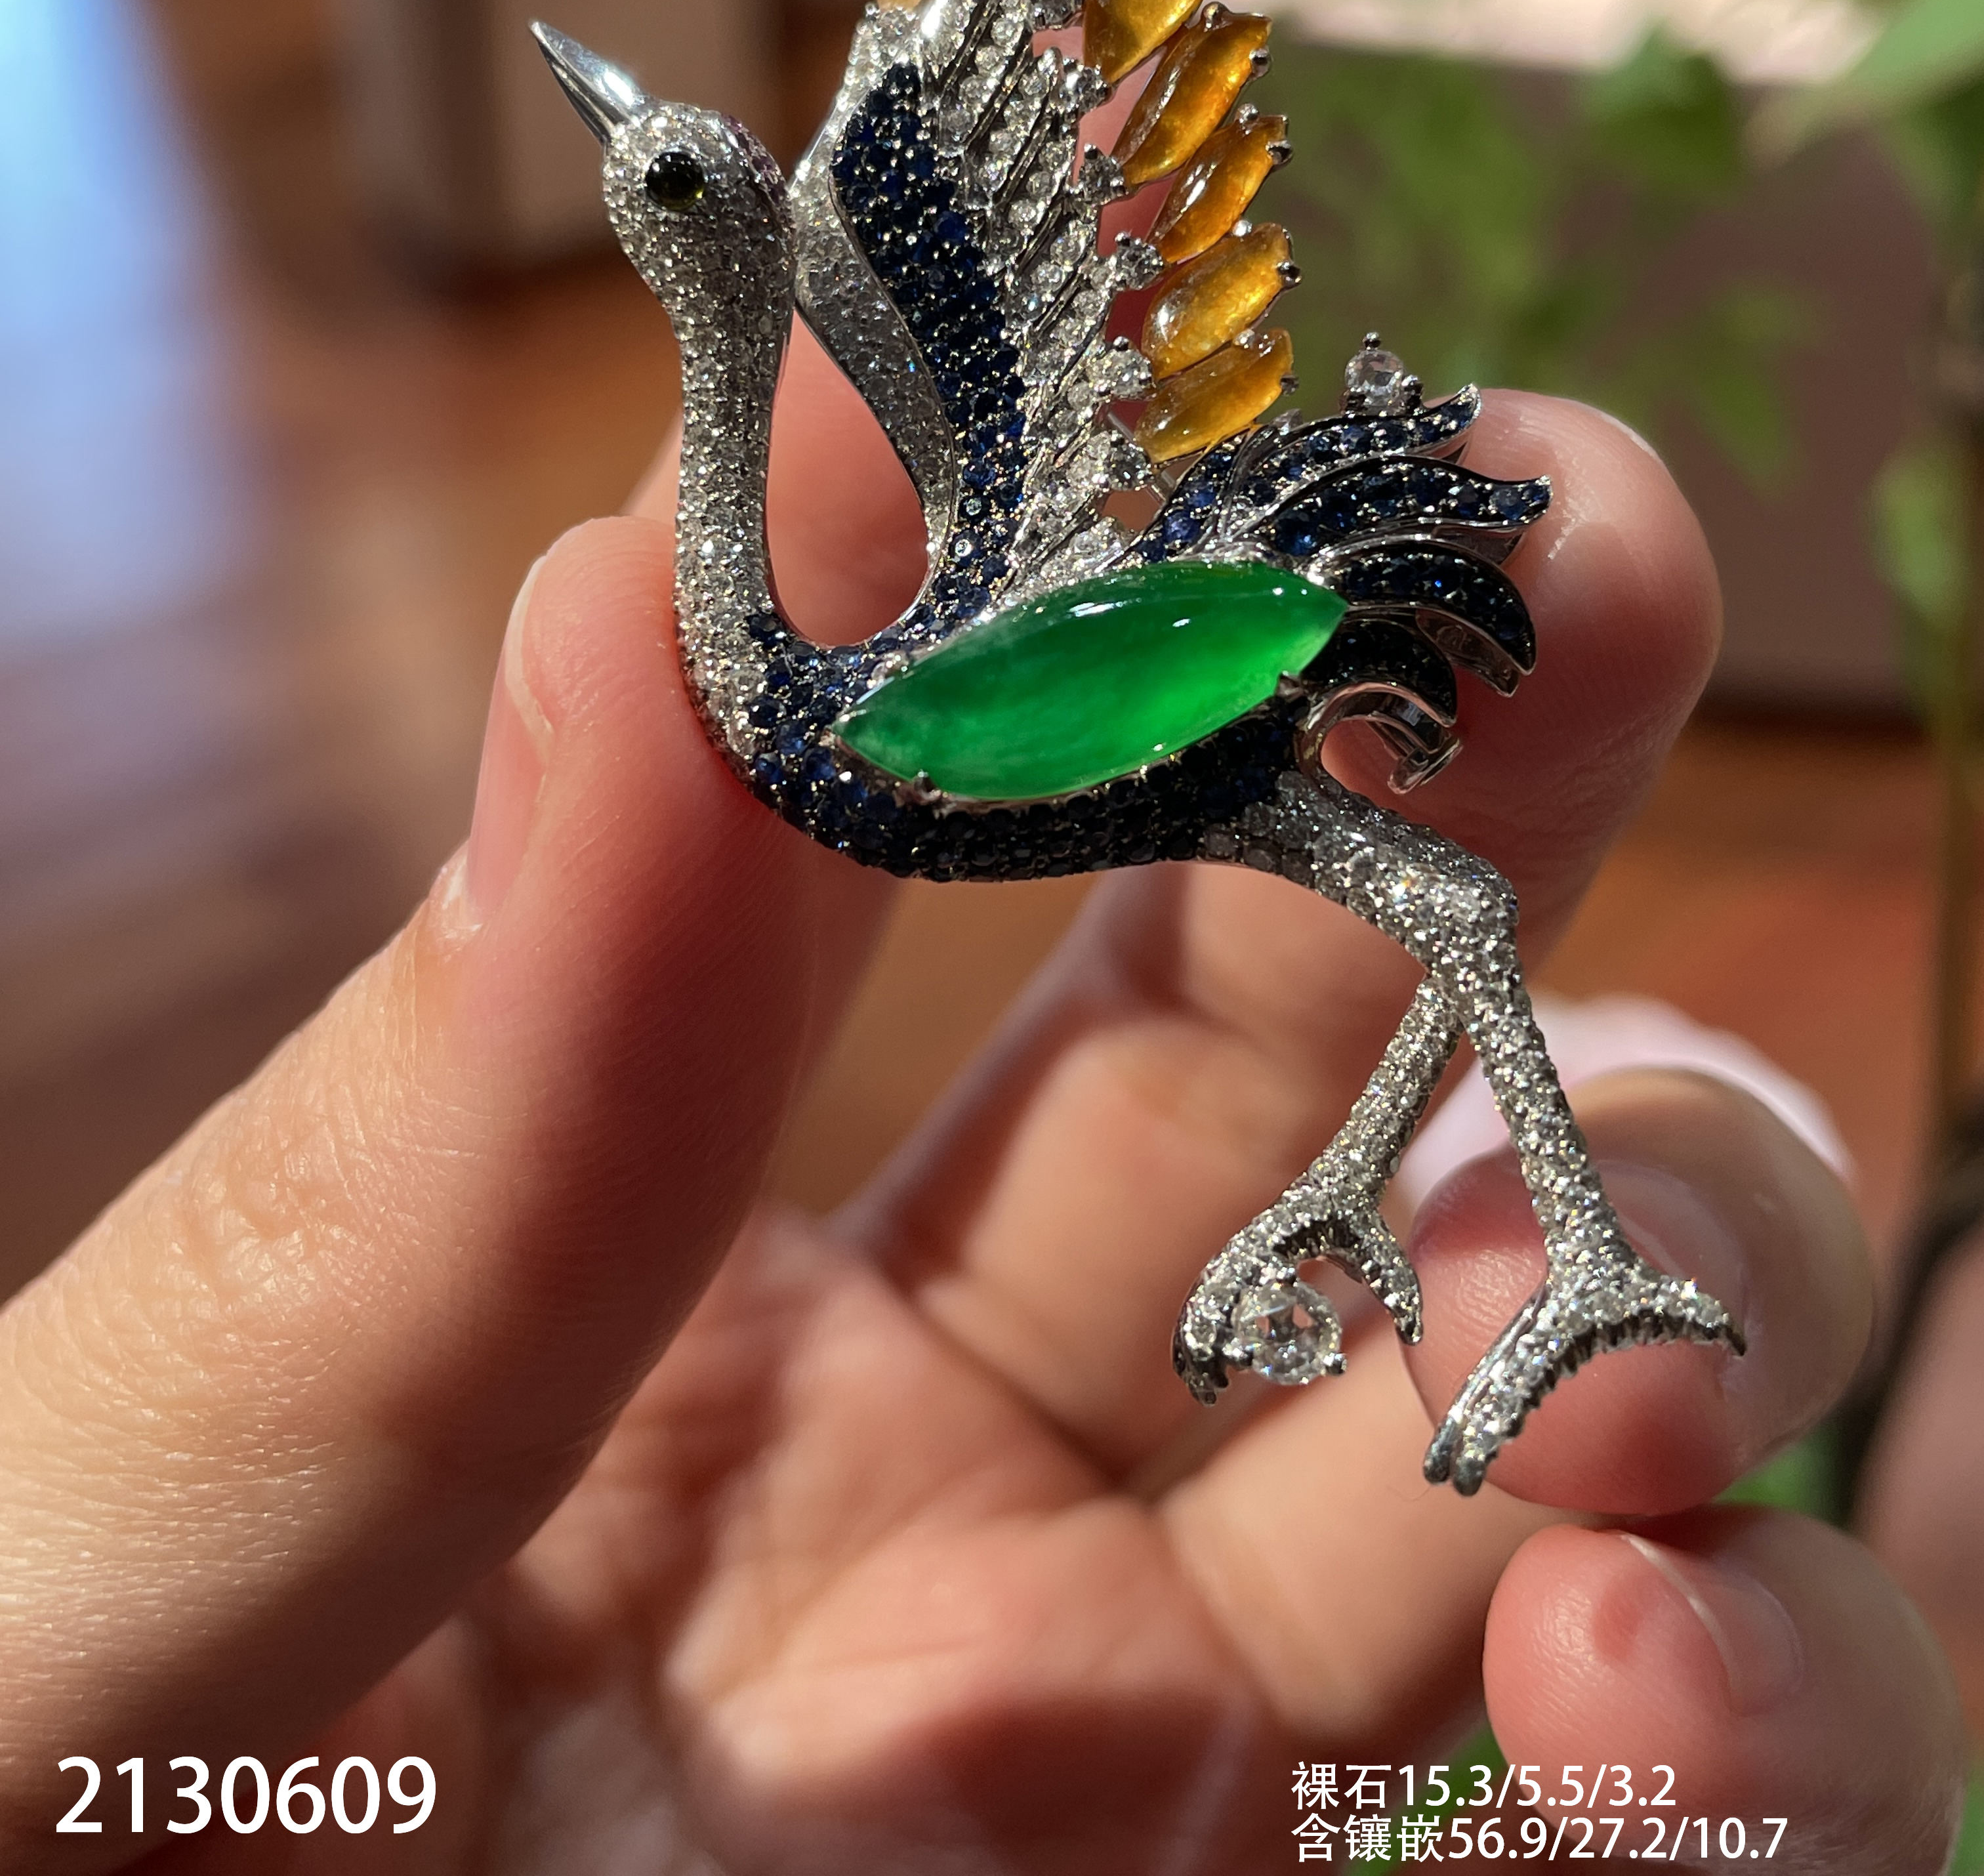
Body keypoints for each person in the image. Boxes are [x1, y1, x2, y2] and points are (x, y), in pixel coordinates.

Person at [0, 345, 1966, 1873]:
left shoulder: (880, 709)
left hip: (1186, 663)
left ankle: (1551, 1246)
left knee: (1441, 904)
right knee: (1434, 905)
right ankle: (1489, 1228)